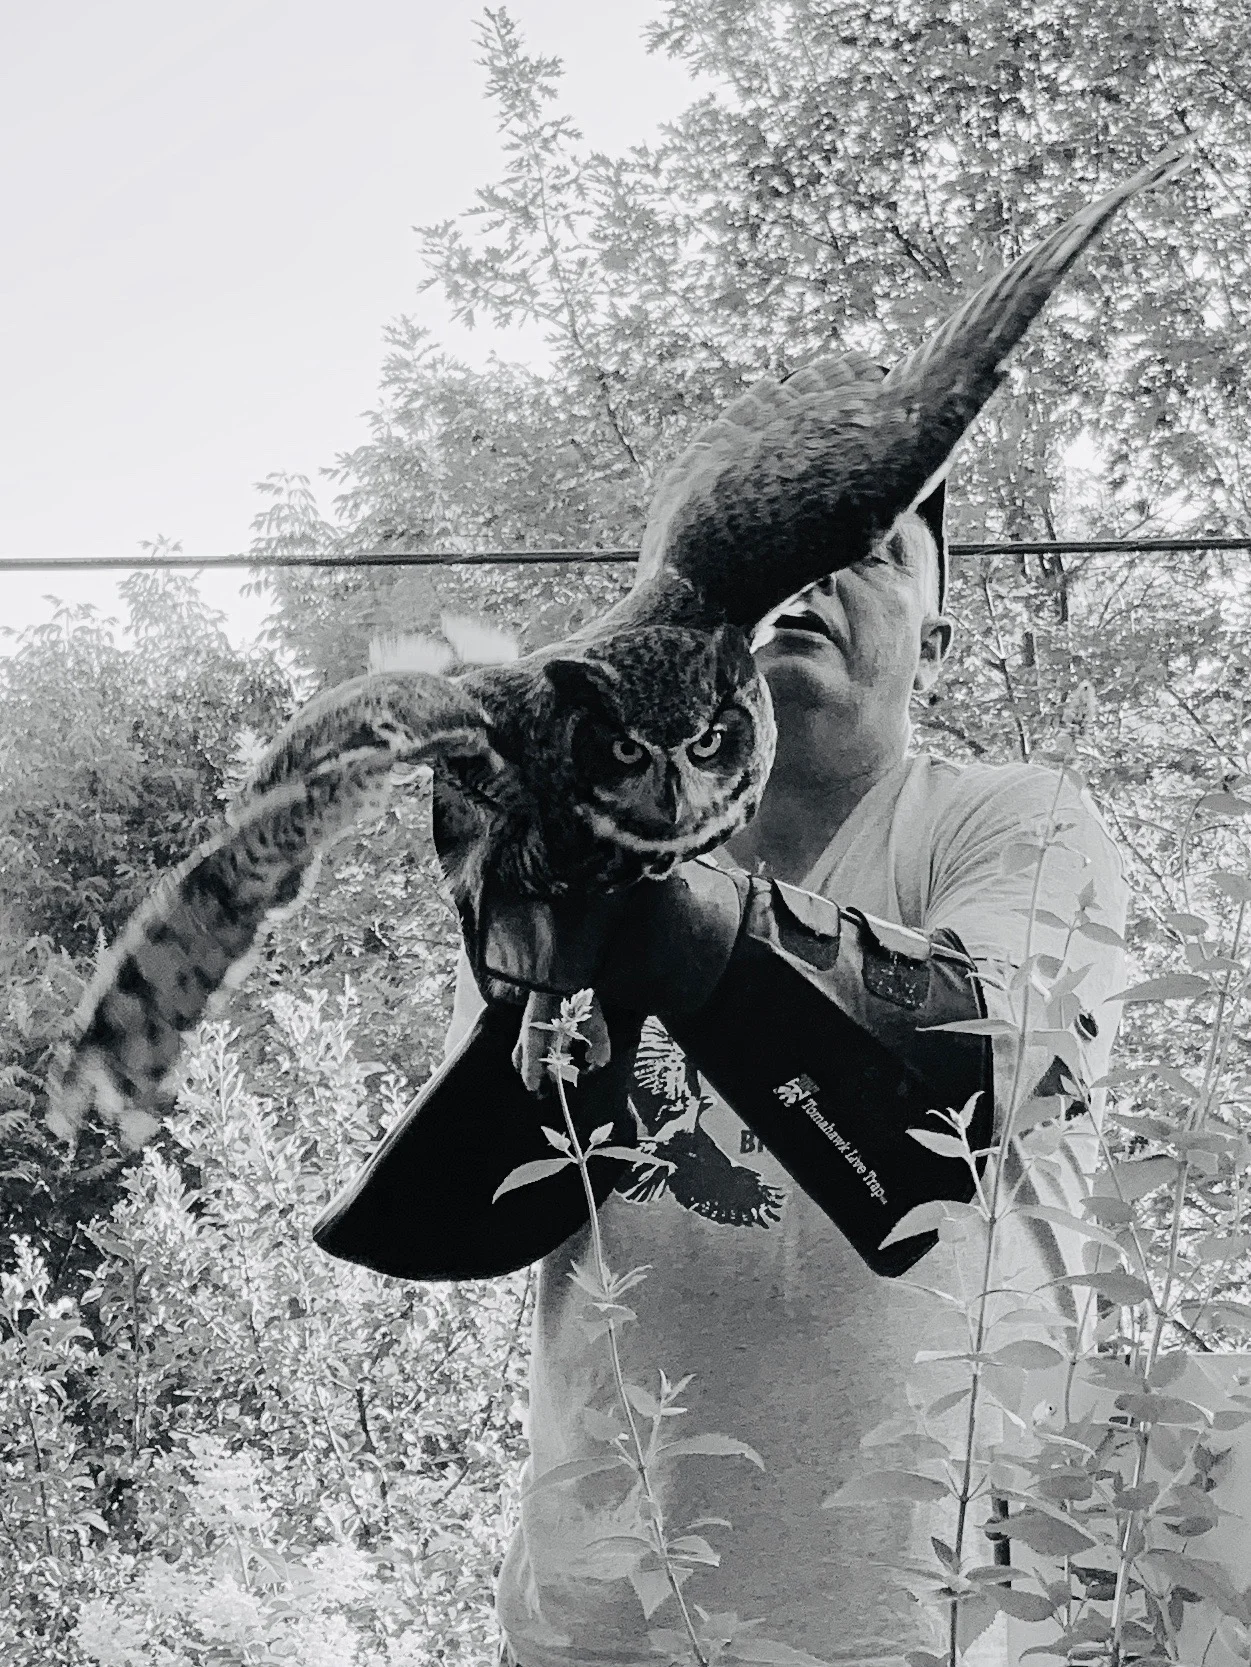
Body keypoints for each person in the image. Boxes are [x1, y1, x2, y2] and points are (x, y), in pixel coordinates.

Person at [433, 488, 1127, 1667]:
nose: (806, 579)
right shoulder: (575, 874)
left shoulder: (1018, 822)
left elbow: (981, 1059)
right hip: (598, 1628)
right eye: (770, 560)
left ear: (934, 647)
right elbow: (468, 1194)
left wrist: (676, 916)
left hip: (934, 1627)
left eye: (867, 554)